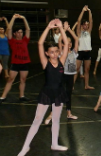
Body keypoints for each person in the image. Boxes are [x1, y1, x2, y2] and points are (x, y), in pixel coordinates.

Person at [17, 19, 69, 156]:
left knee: (56, 120)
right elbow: (40, 43)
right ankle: (25, 147)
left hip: (58, 93)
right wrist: (48, 27)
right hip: (46, 93)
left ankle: (54, 144)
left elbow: (67, 44)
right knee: (37, 120)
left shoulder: (62, 61)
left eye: (56, 51)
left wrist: (62, 29)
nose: (55, 54)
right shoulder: (45, 63)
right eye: (51, 52)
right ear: (47, 53)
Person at [45, 21, 79, 125]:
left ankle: (69, 113)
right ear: (64, 44)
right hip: (62, 75)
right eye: (67, 42)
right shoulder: (60, 53)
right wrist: (63, 30)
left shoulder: (74, 52)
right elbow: (60, 39)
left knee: (68, 94)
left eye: (70, 43)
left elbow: (77, 39)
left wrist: (69, 30)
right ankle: (51, 114)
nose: (69, 44)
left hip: (71, 76)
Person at [0, 14, 31, 101]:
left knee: (23, 79)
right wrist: (13, 18)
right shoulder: (12, 41)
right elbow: (9, 29)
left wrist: (24, 18)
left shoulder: (25, 40)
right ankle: (3, 96)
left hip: (24, 63)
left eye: (21, 32)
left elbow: (28, 29)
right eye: (18, 32)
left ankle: (22, 96)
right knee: (10, 79)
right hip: (15, 63)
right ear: (15, 33)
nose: (20, 34)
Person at [74, 5, 94, 90]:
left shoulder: (88, 32)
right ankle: (72, 85)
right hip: (80, 52)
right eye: (85, 24)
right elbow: (79, 21)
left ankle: (86, 85)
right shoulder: (79, 32)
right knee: (77, 69)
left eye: (87, 25)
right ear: (82, 25)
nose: (86, 26)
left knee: (87, 69)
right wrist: (83, 11)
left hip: (87, 52)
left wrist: (89, 11)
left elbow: (91, 21)